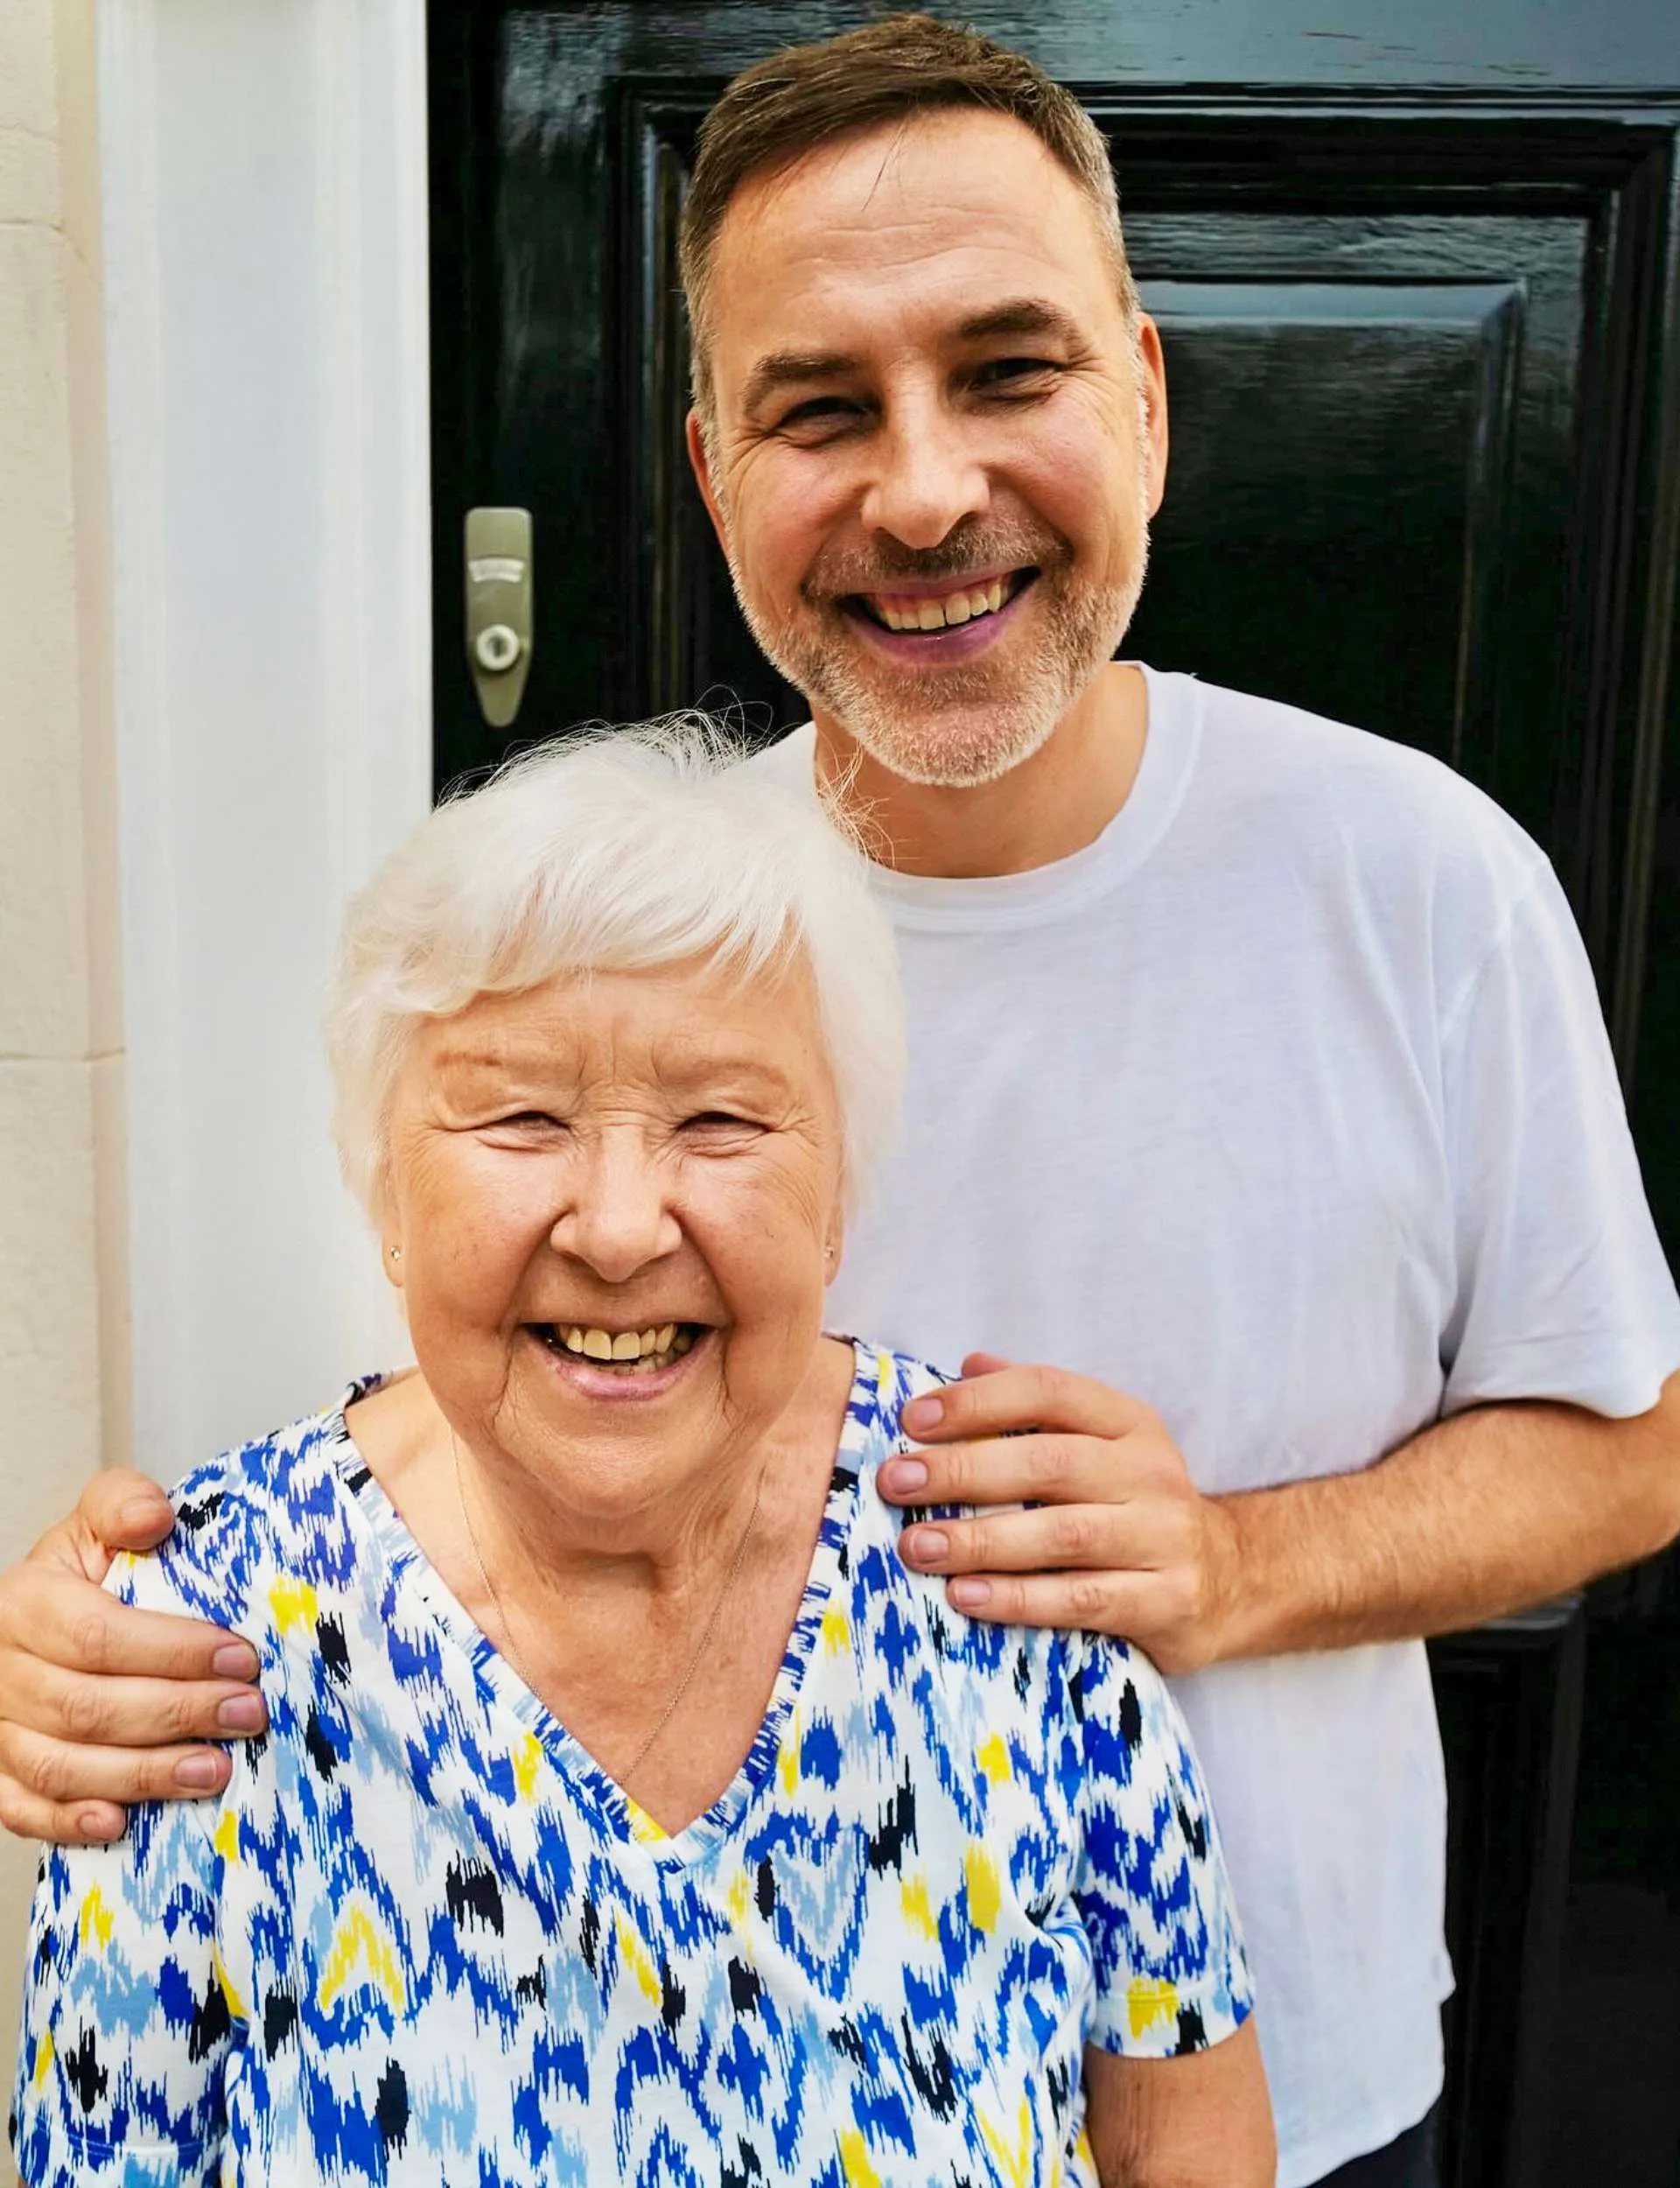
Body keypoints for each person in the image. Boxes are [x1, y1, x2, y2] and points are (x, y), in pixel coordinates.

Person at [3, 16, 1678, 2187]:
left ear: (1146, 399)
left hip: (1304, 2059)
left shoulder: (1425, 879)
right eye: (819, 407)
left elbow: (1629, 1451)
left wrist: (1228, 1561)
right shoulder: (638, 940)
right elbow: (467, 1411)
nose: (921, 490)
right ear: (714, 474)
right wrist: (122, 1625)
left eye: (1008, 371)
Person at [8, 727, 1269, 2186]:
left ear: (837, 1197)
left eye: (721, 1120)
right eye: (523, 1117)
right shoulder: (194, 1655)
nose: (618, 1227)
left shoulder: (1002, 1546)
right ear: (386, 1191)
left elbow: (1187, 2135)